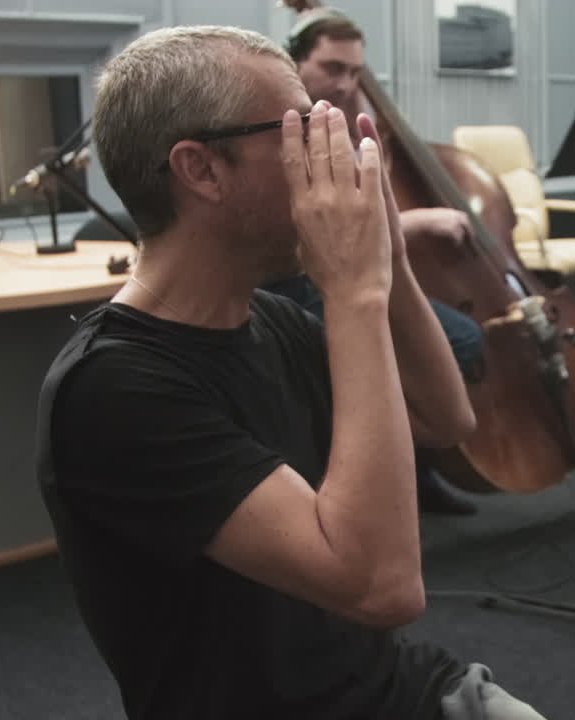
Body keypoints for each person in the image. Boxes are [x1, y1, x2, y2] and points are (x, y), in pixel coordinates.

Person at [35, 25, 545, 720]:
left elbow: (444, 418)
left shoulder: (266, 321)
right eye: (304, 131)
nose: (331, 158)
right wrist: (352, 289)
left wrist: (385, 250)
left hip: (400, 689)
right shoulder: (113, 389)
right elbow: (385, 586)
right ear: (202, 170)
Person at [268, 4, 483, 516]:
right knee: (448, 344)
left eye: (356, 72)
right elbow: (316, 235)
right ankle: (373, 474)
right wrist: (422, 222)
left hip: (349, 273)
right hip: (292, 283)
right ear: (296, 63)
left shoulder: (348, 128)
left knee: (462, 342)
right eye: (333, 69)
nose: (346, 83)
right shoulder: (278, 134)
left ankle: (412, 468)